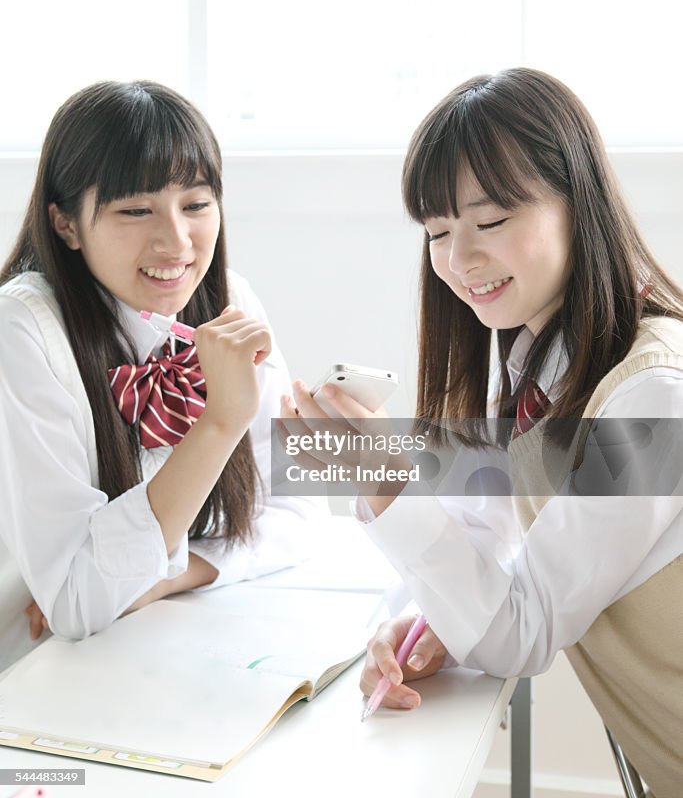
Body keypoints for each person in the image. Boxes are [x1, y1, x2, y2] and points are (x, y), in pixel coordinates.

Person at [281, 68, 683, 795]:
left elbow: (521, 631)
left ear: (576, 200)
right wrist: (415, 625)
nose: (458, 260)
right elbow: (483, 527)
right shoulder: (538, 361)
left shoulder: (651, 401)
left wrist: (383, 476)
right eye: (437, 232)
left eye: (490, 222)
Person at [0, 80, 326, 675]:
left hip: (159, 653)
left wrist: (167, 577)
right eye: (134, 209)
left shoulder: (230, 303)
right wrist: (220, 421)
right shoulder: (23, 330)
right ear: (66, 224)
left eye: (196, 205)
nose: (176, 241)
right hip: (32, 676)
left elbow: (302, 513)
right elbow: (75, 605)